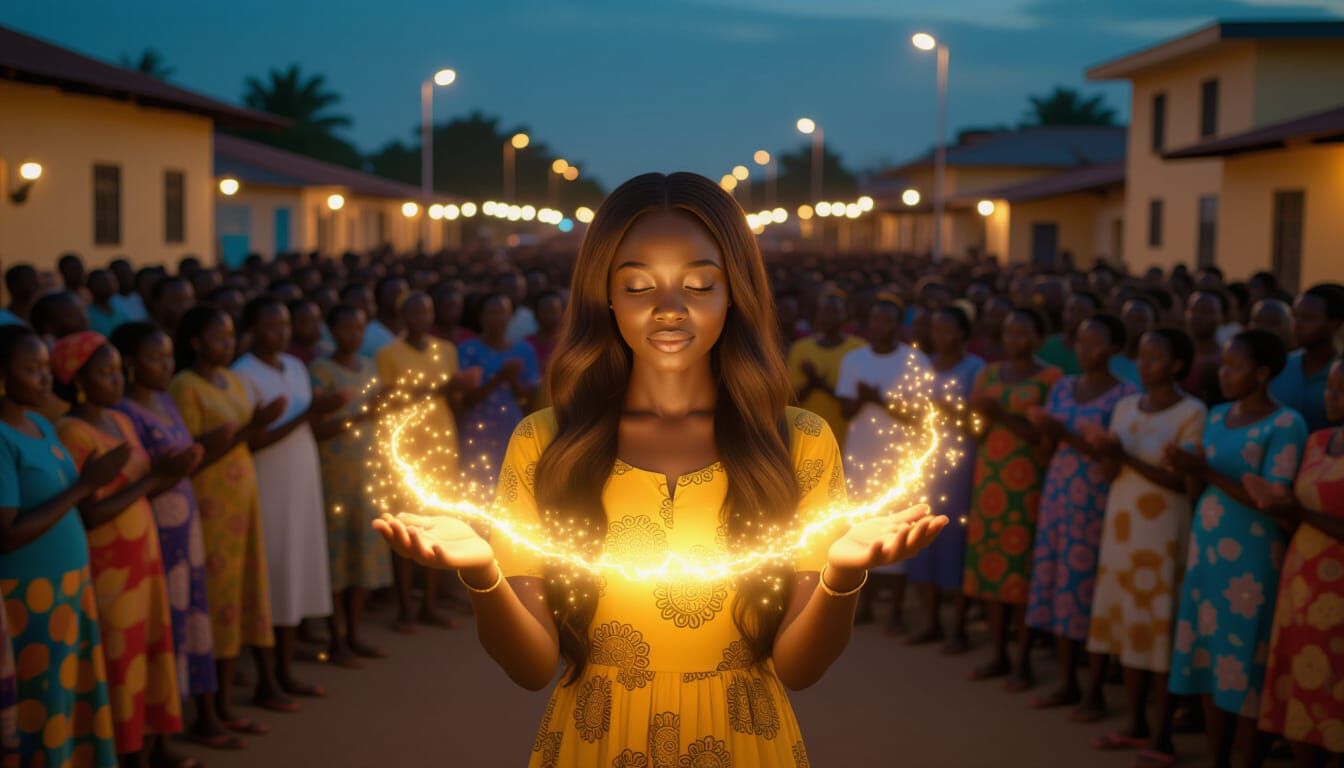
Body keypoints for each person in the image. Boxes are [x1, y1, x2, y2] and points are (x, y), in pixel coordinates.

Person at [375, 172, 946, 766]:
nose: (670, 309)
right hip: (597, 735)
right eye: (638, 285)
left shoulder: (797, 441)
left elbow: (800, 669)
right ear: (606, 295)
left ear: (735, 292)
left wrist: (843, 574)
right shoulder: (546, 442)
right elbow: (532, 667)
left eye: (699, 284)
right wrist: (483, 574)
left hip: (745, 736)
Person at [51, 332, 197, 766]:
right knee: (120, 661)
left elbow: (141, 485)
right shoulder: (71, 432)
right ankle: (122, 753)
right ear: (78, 381)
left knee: (148, 651)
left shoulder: (122, 420)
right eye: (105, 373)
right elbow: (90, 512)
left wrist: (174, 470)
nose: (117, 380)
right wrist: (155, 478)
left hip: (143, 558)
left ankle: (149, 748)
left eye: (118, 371)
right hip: (110, 565)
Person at [1166, 329, 1308, 768]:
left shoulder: (1286, 424)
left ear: (1262, 373)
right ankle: (1217, 756)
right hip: (1207, 549)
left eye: (1235, 366)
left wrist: (1205, 471)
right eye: (1223, 365)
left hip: (1252, 554)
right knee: (1210, 653)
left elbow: (1273, 500)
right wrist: (1187, 469)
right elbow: (1197, 487)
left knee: (1245, 658)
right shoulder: (1218, 414)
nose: (1224, 374)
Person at [110, 323, 238, 750]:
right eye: (155, 358)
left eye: (168, 356)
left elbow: (182, 459)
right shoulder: (125, 413)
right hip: (155, 532)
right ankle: (159, 739)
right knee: (163, 627)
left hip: (186, 527)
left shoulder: (165, 400)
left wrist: (206, 446)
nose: (166, 366)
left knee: (191, 619)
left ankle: (196, 718)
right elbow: (142, 476)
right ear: (130, 364)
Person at [1083, 328, 1206, 764]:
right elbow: (1112, 471)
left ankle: (1162, 732)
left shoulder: (1192, 412)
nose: (1144, 364)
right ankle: (1136, 723)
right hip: (1123, 528)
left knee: (1158, 627)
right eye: (1142, 355)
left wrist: (1126, 456)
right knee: (1128, 623)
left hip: (1163, 534)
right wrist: (1106, 454)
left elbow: (1182, 482)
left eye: (1155, 358)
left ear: (1177, 366)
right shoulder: (1125, 407)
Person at [0, 324, 120, 767]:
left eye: (46, 367)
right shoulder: (2, 438)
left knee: (68, 700)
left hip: (69, 588)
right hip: (29, 595)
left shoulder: (39, 425)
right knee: (41, 703)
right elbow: (7, 534)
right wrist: (86, 485)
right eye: (31, 369)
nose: (45, 378)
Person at [169, 307, 289, 730]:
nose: (228, 344)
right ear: (196, 342)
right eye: (218, 337)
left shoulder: (234, 380)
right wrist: (250, 427)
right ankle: (208, 711)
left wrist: (259, 426)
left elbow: (248, 438)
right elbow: (192, 457)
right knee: (216, 600)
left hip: (243, 501)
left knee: (242, 596)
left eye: (230, 336)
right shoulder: (185, 387)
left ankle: (229, 701)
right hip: (210, 504)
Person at [1022, 314, 1136, 715]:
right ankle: (1067, 680)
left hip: (1095, 501)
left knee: (1088, 590)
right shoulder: (1063, 387)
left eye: (1095, 343)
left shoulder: (1125, 397)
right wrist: (1044, 430)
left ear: (1115, 349)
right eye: (1081, 343)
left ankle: (1095, 688)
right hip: (1057, 495)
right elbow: (1046, 451)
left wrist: (1062, 432)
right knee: (1057, 585)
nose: (1085, 351)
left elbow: (1112, 460)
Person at [232, 298, 340, 699]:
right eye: (271, 325)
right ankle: (267, 678)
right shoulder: (243, 374)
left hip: (301, 479)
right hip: (268, 482)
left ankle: (285, 670)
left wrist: (324, 411)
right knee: (273, 573)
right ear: (252, 330)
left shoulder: (295, 366)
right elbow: (253, 441)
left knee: (295, 570)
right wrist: (308, 413)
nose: (280, 333)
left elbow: (307, 422)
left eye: (285, 325)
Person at [1246, 359, 1344, 763]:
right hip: (1302, 581)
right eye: (1330, 388)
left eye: (1341, 390)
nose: (1331, 396)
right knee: (1303, 680)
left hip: (1337, 591)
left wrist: (1298, 512)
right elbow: (1298, 509)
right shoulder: (1318, 441)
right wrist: (1276, 505)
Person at [964, 307, 1063, 690]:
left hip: (1026, 485)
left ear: (1038, 338)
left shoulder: (1051, 379)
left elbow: (1044, 438)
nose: (1013, 340)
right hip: (989, 481)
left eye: (1022, 334)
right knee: (990, 567)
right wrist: (980, 416)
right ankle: (998, 654)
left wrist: (1001, 414)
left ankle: (1023, 659)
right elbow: (976, 432)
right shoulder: (989, 374)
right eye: (1009, 333)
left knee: (1021, 571)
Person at [375, 292, 478, 631]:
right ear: (403, 317)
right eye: (414, 313)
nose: (420, 318)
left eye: (426, 312)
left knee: (438, 525)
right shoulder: (388, 354)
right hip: (406, 449)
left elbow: (454, 399)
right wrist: (441, 387)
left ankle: (429, 605)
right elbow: (388, 400)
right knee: (407, 528)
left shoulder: (446, 350)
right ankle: (406, 607)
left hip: (441, 445)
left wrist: (461, 387)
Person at [835, 296, 930, 633]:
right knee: (860, 529)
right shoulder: (854, 359)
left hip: (898, 462)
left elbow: (920, 415)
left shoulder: (914, 360)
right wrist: (863, 399)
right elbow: (846, 411)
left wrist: (879, 399)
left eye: (886, 321)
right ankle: (863, 605)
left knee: (897, 530)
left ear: (897, 325)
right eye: (874, 320)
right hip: (860, 458)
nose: (879, 327)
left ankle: (896, 610)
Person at [310, 304, 393, 662]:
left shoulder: (370, 367)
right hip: (334, 475)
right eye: (346, 329)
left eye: (358, 329)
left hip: (367, 473)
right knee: (337, 556)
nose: (353, 336)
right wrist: (360, 416)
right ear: (331, 331)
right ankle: (336, 638)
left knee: (362, 552)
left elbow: (377, 418)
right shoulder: (320, 370)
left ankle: (354, 633)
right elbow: (317, 428)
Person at [905, 305, 984, 652]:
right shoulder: (923, 365)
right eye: (936, 329)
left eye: (947, 330)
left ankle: (958, 627)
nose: (940, 337)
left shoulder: (976, 369)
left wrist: (953, 411)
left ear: (963, 333)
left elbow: (980, 422)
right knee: (923, 540)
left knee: (956, 541)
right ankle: (931, 620)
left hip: (960, 466)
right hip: (924, 466)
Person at [457, 293, 541, 488]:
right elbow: (465, 400)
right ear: (481, 317)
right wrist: (499, 378)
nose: (498, 318)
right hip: (477, 429)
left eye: (503, 312)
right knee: (476, 484)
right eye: (492, 312)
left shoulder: (524, 350)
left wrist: (512, 381)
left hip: (510, 426)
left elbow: (529, 398)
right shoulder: (467, 350)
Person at [787, 290, 866, 455]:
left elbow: (857, 402)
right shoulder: (800, 349)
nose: (829, 317)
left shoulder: (858, 348)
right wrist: (811, 383)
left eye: (835, 311)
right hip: (807, 439)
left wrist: (819, 382)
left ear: (845, 315)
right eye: (825, 311)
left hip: (846, 439)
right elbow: (791, 401)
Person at [1271, 284, 1344, 433]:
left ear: (1334, 324)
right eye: (1295, 316)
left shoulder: (1339, 374)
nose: (1297, 325)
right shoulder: (1280, 366)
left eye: (1308, 318)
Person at [1037, 291, 1098, 376]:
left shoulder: (1096, 355)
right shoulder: (1044, 346)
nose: (1073, 315)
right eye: (1070, 309)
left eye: (1081, 312)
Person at [1183, 290, 1226, 405]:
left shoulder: (1227, 360)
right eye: (1194, 310)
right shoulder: (1175, 357)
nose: (1199, 316)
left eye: (1207, 311)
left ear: (1220, 317)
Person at [1110, 298, 1156, 388]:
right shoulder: (1107, 360)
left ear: (1152, 324)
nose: (1133, 324)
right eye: (1129, 318)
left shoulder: (1157, 368)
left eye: (1140, 320)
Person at [360, 277, 407, 360]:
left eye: (403, 294)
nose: (399, 299)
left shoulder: (412, 333)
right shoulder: (366, 335)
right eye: (393, 293)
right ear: (379, 298)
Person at [85, 270, 131, 338]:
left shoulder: (121, 309)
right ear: (91, 285)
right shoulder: (87, 315)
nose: (110, 285)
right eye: (103, 282)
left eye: (112, 281)